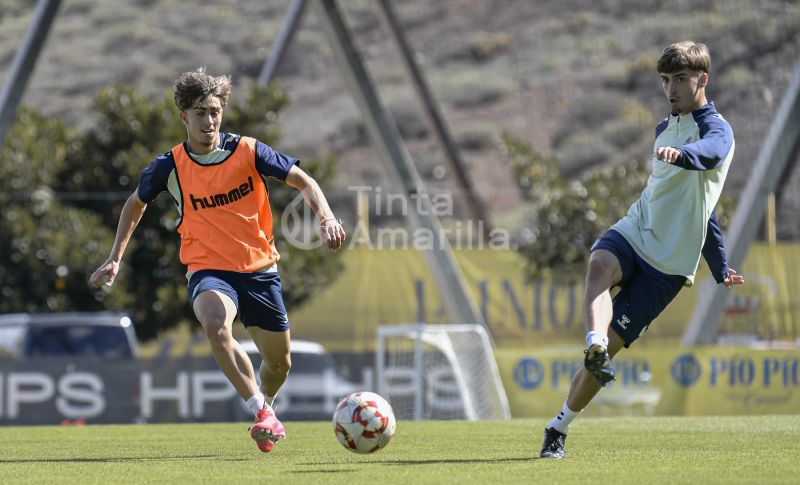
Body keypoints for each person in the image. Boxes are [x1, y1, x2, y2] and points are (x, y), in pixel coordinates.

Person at [89, 67, 345, 453]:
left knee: (280, 364)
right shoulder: (169, 166)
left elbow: (304, 181)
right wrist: (115, 258)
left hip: (260, 269)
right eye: (199, 113)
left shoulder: (249, 151)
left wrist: (326, 218)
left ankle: (269, 403)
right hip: (208, 269)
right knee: (215, 323)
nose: (208, 120)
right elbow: (135, 204)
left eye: (214, 111)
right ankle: (260, 411)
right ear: (183, 117)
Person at [538, 41, 744, 459]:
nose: (671, 88)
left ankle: (558, 428)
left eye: (680, 79)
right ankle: (594, 343)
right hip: (636, 230)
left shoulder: (717, 129)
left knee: (613, 348)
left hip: (668, 266)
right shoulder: (663, 128)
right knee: (599, 263)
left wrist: (718, 264)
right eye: (665, 80)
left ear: (702, 80)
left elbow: (708, 168)